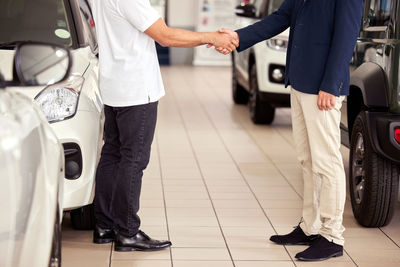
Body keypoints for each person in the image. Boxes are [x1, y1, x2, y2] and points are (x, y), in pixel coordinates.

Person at [215, 0, 363, 261]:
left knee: (326, 161)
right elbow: (280, 17)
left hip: (322, 86)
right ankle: (310, 226)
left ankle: (332, 236)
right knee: (307, 160)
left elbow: (347, 34)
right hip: (299, 80)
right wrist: (238, 37)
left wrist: (331, 83)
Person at [90, 0, 238, 252]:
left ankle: (105, 226)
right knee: (133, 159)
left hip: (114, 84)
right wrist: (212, 37)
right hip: (136, 89)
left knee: (112, 153)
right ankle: (127, 231)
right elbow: (165, 36)